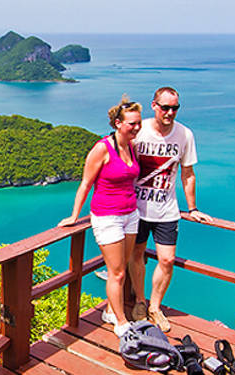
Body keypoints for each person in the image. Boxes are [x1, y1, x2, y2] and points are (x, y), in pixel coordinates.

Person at [127, 87, 212, 333]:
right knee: (137, 255)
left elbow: (187, 173)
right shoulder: (138, 130)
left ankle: (155, 306)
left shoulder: (185, 134)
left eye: (175, 108)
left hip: (167, 210)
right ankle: (140, 303)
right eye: (165, 107)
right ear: (153, 105)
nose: (170, 112)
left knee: (167, 259)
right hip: (137, 208)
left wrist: (192, 208)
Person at [58, 96, 142, 336]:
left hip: (130, 215)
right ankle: (121, 322)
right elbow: (86, 183)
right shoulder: (102, 148)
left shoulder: (132, 147)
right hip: (107, 217)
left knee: (122, 267)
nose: (136, 128)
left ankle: (109, 311)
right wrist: (74, 216)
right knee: (116, 272)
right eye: (131, 124)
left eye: (138, 123)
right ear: (117, 123)